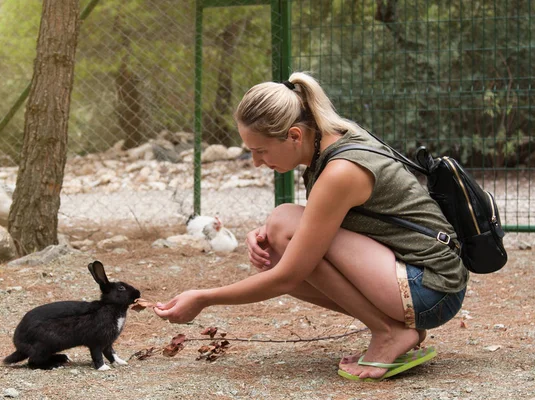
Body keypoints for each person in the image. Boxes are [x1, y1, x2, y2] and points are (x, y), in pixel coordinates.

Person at [154, 72, 468, 381]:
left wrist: (204, 298)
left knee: (284, 231)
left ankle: (388, 332)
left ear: (294, 136)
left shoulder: (341, 170)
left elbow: (289, 275)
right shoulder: (332, 137)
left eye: (260, 150)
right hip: (420, 279)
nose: (256, 162)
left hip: (432, 288)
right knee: (279, 239)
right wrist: (270, 236)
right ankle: (393, 328)